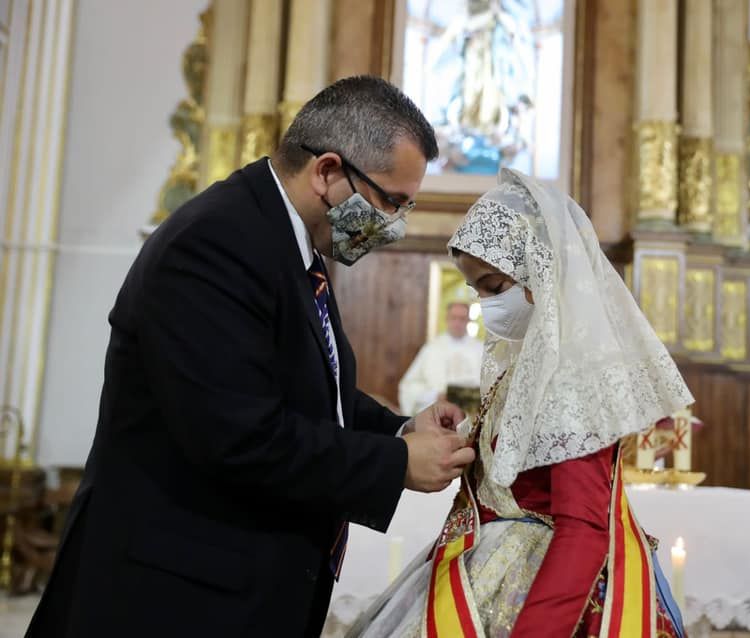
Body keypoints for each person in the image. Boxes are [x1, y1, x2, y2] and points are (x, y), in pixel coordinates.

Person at [27, 76, 475, 638]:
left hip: (232, 583)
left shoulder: (284, 241)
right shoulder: (215, 244)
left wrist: (399, 427)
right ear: (329, 172)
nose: (398, 224)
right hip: (171, 597)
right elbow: (239, 435)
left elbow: (305, 385)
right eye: (391, 202)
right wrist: (394, 463)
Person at [347, 169, 694, 638]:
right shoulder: (526, 367)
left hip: (545, 590)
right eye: (475, 292)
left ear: (541, 271)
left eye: (493, 287)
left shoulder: (571, 379)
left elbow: (583, 531)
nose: (485, 306)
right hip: (492, 567)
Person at [398, 300, 484, 415]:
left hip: (472, 412)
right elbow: (408, 386)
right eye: (453, 318)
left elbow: (489, 386)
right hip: (438, 411)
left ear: (468, 320)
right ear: (447, 319)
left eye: (462, 318)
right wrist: (436, 395)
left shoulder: (481, 349)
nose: (457, 323)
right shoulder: (432, 348)